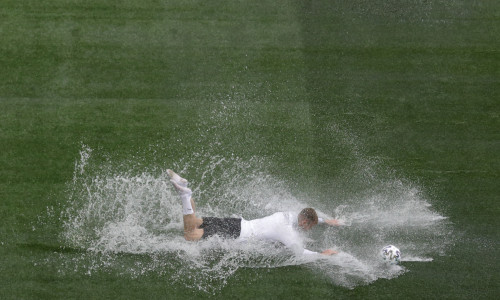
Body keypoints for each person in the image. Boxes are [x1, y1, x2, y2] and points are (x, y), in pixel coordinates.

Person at [167, 169, 341, 256]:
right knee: (190, 235)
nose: (309, 229)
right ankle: (185, 195)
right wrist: (321, 254)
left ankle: (184, 187)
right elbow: (300, 252)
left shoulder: (289, 214)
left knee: (196, 221)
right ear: (304, 222)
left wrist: (324, 221)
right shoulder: (286, 230)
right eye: (310, 226)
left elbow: (308, 216)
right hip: (236, 233)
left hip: (238, 223)